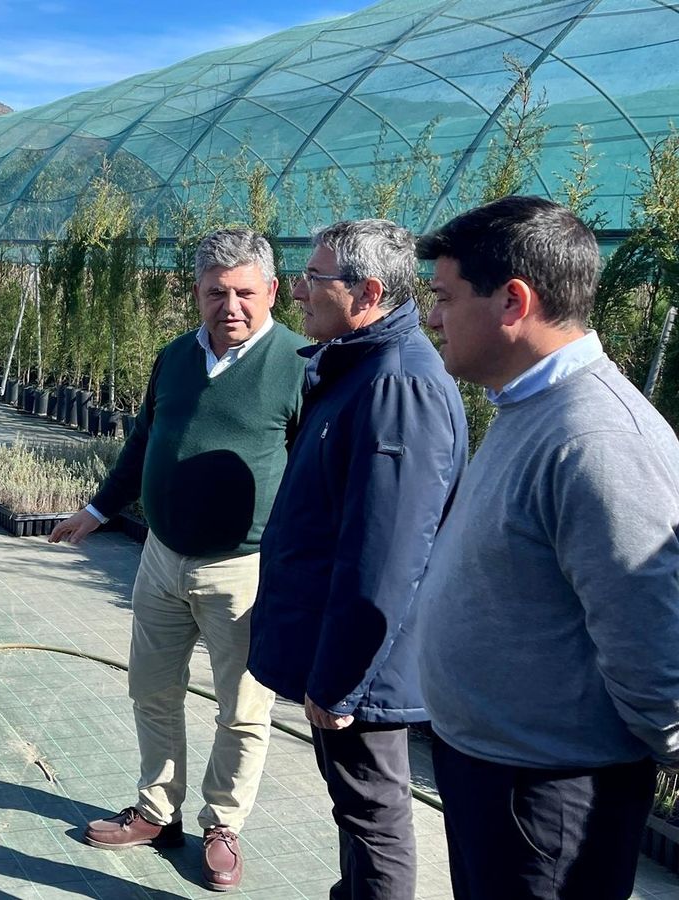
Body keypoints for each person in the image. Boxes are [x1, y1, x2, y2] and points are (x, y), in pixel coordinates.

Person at [416, 195, 679, 899]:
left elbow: (654, 647)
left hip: (550, 801)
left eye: (443, 297)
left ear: (512, 302)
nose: (432, 318)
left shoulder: (599, 441)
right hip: (496, 776)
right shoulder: (530, 408)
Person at [48, 227, 309, 892]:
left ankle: (222, 825)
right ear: (195, 292)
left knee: (243, 710)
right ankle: (158, 813)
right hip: (162, 558)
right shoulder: (174, 358)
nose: (231, 306)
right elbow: (143, 440)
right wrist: (99, 509)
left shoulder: (299, 365)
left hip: (244, 571)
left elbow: (314, 476)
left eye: (245, 292)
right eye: (216, 292)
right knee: (152, 691)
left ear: (272, 290)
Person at [247, 219, 465, 900]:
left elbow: (387, 553)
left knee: (373, 812)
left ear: (367, 292)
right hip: (345, 652)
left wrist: (341, 679)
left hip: (363, 661)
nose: (300, 292)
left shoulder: (396, 387)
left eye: (314, 278)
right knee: (356, 803)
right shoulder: (360, 365)